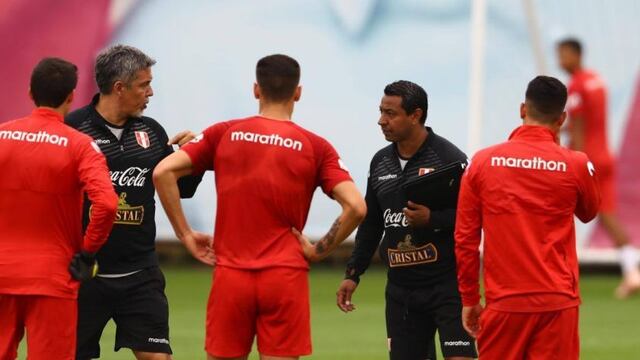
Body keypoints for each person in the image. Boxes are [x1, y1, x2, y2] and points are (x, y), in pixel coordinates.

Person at [153, 54, 366, 360]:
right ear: (298, 92)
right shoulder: (315, 146)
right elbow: (356, 207)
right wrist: (318, 251)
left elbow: (163, 172)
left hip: (232, 276)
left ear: (256, 89)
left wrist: (186, 234)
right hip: (284, 276)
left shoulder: (224, 133)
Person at [66, 45, 202, 360]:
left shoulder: (151, 132)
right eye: (144, 84)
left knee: (157, 357)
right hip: (86, 274)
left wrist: (191, 161)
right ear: (119, 88)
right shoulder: (74, 129)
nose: (150, 92)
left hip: (141, 273)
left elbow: (182, 189)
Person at [455, 76, 601, 359]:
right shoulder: (576, 163)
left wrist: (470, 298)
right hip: (557, 303)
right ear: (562, 118)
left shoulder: (483, 162)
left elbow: (465, 239)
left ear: (523, 109)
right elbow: (589, 212)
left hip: (503, 304)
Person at [338, 80, 477, 360]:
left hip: (447, 287)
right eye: (381, 111)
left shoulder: (450, 160)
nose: (381, 121)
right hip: (401, 292)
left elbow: (473, 219)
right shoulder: (380, 163)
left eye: (390, 113)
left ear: (415, 115)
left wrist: (432, 219)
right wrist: (353, 273)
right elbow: (372, 222)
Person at [0, 58, 118, 360]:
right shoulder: (80, 145)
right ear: (71, 96)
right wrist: (88, 251)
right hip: (52, 276)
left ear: (30, 92)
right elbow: (106, 203)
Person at [557, 38, 640, 298]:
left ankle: (555, 275)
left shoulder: (577, 86)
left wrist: (575, 158)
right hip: (604, 155)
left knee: (556, 210)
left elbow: (579, 126)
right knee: (608, 213)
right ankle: (632, 272)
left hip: (588, 159)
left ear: (574, 54)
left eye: (562, 55)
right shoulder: (597, 80)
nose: (560, 60)